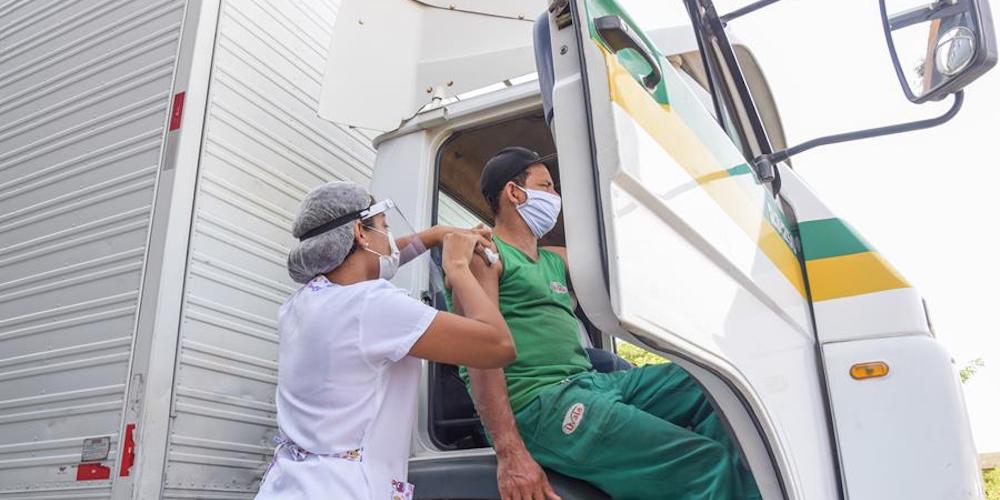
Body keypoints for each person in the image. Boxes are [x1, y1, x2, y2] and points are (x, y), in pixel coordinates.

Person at [455, 147, 761, 500]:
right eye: (548, 186)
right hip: (543, 404)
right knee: (705, 463)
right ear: (515, 193)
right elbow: (478, 354)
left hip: (589, 384)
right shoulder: (486, 255)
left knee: (714, 384)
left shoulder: (551, 259)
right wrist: (510, 454)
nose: (556, 197)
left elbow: (623, 266)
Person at [255, 181, 515, 500]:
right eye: (385, 227)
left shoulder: (301, 303)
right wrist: (457, 267)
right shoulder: (370, 304)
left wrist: (435, 235)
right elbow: (497, 346)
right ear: (360, 233)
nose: (391, 240)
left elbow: (375, 259)